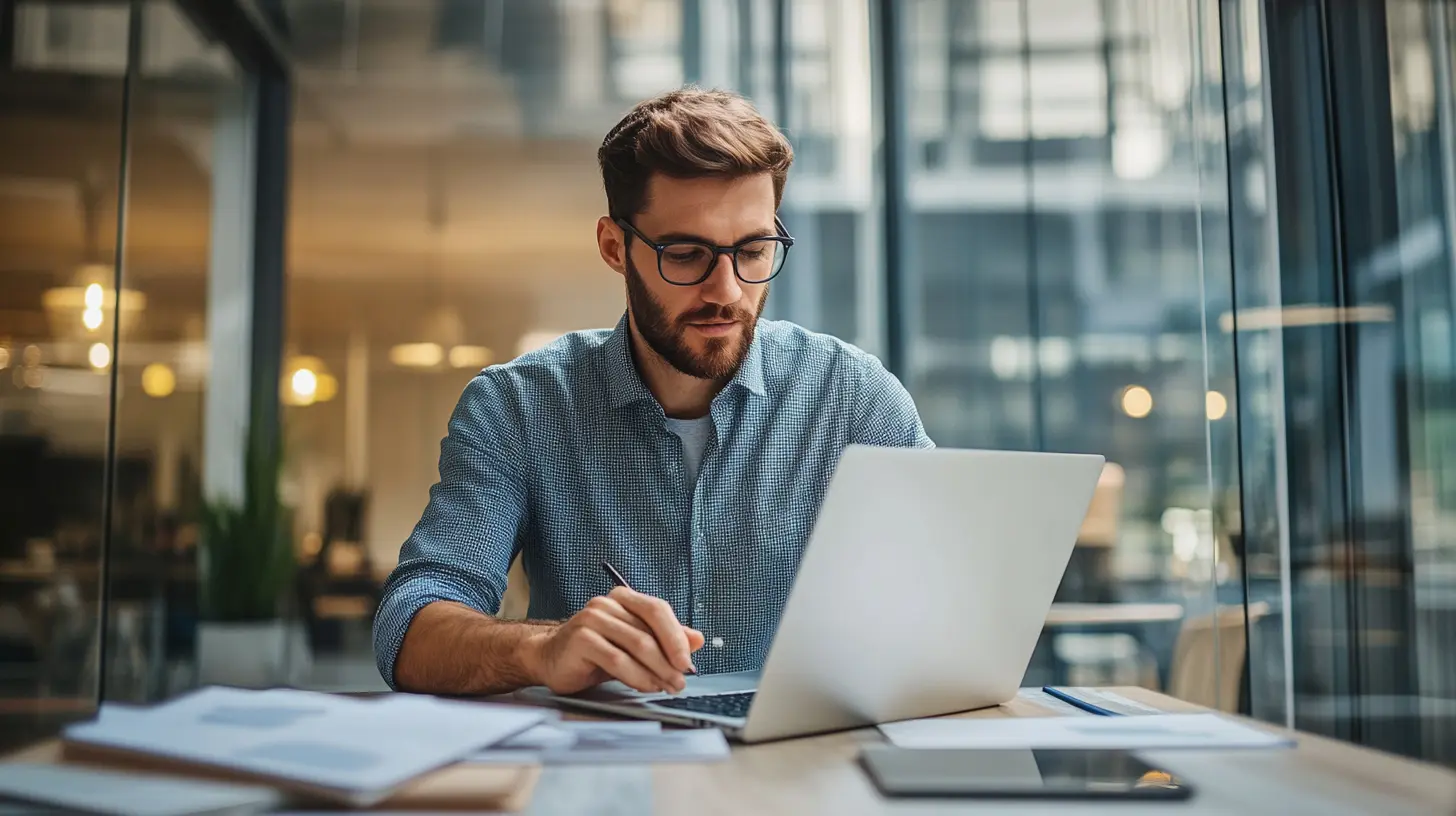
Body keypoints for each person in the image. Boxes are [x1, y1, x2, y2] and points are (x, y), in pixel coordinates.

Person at [374, 87, 932, 698]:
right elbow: (409, 628)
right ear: (616, 247)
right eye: (687, 254)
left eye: (752, 251)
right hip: (607, 782)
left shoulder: (854, 400)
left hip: (803, 778)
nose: (728, 290)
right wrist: (544, 647)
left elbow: (948, 599)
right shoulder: (519, 408)